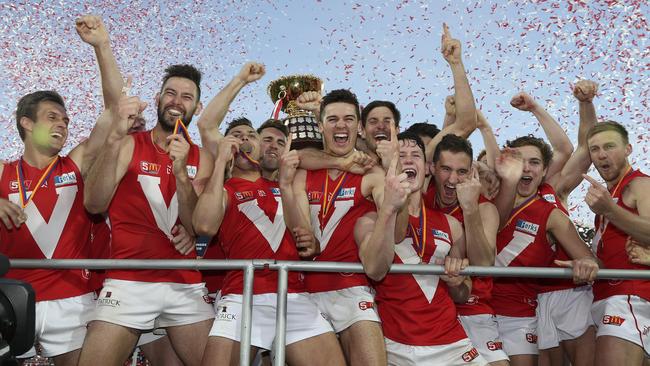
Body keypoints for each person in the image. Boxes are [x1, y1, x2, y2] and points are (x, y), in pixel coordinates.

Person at [0, 14, 123, 365]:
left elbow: (115, 112)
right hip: (12, 297)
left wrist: (102, 46)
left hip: (73, 300)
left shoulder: (77, 162)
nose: (63, 125)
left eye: (66, 120)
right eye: (53, 117)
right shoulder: (3, 171)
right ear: (26, 123)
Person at [79, 63, 215, 366]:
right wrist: (114, 137)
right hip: (130, 280)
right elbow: (94, 204)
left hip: (184, 283)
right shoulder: (128, 143)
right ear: (157, 98)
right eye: (170, 93)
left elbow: (197, 224)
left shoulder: (202, 158)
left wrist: (181, 173)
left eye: (186, 96)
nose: (177, 102)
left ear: (198, 106)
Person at [193, 117, 345, 366]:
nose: (244, 139)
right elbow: (203, 226)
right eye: (237, 135)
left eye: (251, 135)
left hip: (293, 295)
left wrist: (312, 242)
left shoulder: (287, 185)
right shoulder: (225, 189)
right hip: (243, 295)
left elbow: (305, 240)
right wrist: (221, 161)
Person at [357, 131, 488, 365]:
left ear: (428, 168)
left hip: (452, 343)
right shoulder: (368, 221)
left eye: (415, 155)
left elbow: (463, 293)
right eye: (400, 155)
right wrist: (388, 207)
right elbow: (375, 270)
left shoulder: (451, 225)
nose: (407, 160)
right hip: (398, 347)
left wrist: (458, 281)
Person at [280, 88, 390, 365]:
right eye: (332, 119)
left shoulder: (372, 172)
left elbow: (395, 228)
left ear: (360, 127)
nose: (341, 125)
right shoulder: (304, 172)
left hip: (351, 288)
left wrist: (393, 189)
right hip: (305, 291)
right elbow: (300, 228)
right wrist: (307, 240)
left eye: (349, 119)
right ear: (320, 125)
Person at [492, 136, 600, 366]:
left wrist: (585, 265)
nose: (526, 168)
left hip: (519, 315)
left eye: (535, 162)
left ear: (543, 172)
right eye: (520, 160)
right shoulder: (486, 199)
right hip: (476, 310)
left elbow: (588, 259)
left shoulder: (551, 215)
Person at [423, 134, 507, 365]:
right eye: (446, 169)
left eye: (461, 172)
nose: (452, 178)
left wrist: (469, 209)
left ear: (472, 173)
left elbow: (483, 265)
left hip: (473, 308)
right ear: (431, 168)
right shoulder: (420, 197)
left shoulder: (484, 208)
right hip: (428, 309)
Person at [582, 121, 650, 366]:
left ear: (628, 149)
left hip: (630, 297)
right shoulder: (606, 200)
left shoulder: (640, 184)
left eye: (609, 146)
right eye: (595, 149)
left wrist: (610, 210)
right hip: (607, 296)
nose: (601, 154)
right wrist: (584, 260)